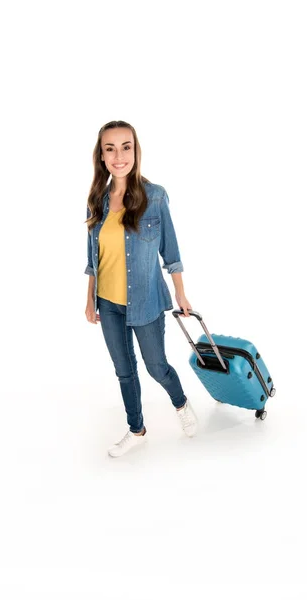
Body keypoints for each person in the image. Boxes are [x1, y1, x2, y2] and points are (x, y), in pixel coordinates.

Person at [84, 120, 197, 457]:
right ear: (102, 156)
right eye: (110, 148)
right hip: (109, 302)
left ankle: (180, 403)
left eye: (126, 146)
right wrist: (89, 299)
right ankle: (137, 429)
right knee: (124, 371)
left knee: (155, 366)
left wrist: (181, 292)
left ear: (135, 151)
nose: (119, 155)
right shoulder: (97, 200)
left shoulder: (155, 197)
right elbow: (93, 257)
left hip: (146, 301)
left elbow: (171, 251)